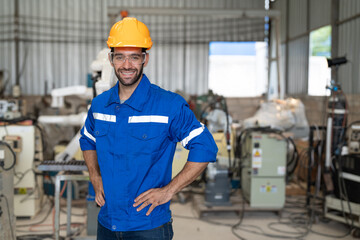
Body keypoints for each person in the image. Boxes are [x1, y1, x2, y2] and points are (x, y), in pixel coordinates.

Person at [79, 17, 218, 240]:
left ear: (145, 59)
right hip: (107, 223)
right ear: (111, 59)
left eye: (134, 57)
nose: (127, 65)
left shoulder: (169, 105)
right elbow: (87, 140)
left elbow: (206, 147)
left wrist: (169, 190)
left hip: (148, 226)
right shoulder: (99, 105)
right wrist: (95, 177)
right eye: (120, 57)